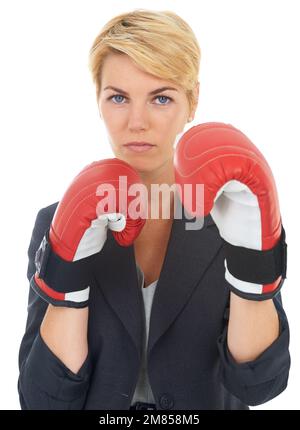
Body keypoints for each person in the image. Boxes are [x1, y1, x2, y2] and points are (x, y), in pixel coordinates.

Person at [18, 9, 290, 410]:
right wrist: (67, 283)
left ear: (192, 102)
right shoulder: (56, 221)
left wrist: (252, 261)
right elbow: (43, 403)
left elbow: (260, 385)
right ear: (98, 101)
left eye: (161, 97)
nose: (137, 122)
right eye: (118, 97)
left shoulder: (236, 213)